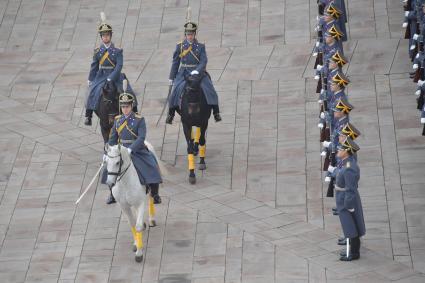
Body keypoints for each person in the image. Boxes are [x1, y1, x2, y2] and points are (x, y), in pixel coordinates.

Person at [166, 8, 221, 124]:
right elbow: (175, 62)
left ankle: (216, 111)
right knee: (175, 90)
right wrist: (171, 77)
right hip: (184, 72)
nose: (189, 36)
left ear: (195, 34)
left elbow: (203, 60)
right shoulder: (180, 46)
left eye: (191, 34)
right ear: (185, 34)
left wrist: (198, 70)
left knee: (209, 88)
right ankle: (170, 113)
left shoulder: (200, 47)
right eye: (188, 34)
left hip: (198, 73)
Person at [108, 91, 162, 205]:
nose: (125, 109)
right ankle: (111, 193)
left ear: (131, 106)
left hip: (137, 150)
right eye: (123, 106)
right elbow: (113, 138)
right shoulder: (118, 120)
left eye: (127, 106)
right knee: (109, 168)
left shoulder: (139, 119)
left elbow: (141, 137)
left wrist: (131, 149)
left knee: (151, 165)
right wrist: (109, 150)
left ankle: (155, 193)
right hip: (121, 150)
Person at [85, 12, 137, 126]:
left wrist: (111, 78)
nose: (105, 37)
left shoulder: (117, 51)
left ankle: (135, 112)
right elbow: (94, 66)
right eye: (103, 35)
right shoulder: (98, 51)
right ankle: (88, 115)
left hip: (116, 75)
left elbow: (119, 66)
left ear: (110, 36)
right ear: (101, 37)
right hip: (101, 75)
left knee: (129, 92)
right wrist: (90, 78)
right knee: (92, 92)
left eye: (107, 35)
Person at [335, 137, 366, 261]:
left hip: (347, 200)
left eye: (342, 148)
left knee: (351, 226)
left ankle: (353, 253)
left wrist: (348, 204)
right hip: (343, 198)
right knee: (349, 226)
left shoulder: (349, 167)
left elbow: (350, 188)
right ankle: (351, 250)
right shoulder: (348, 162)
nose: (339, 150)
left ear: (347, 151)